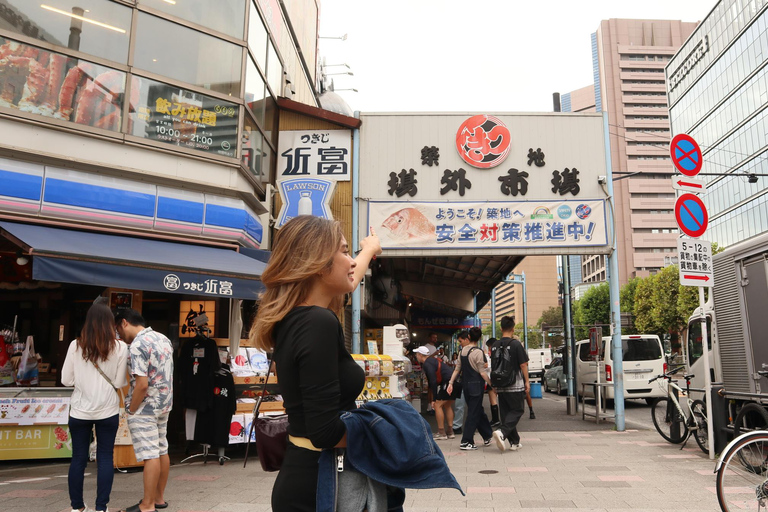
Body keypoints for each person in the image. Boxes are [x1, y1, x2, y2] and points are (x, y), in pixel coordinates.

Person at [250, 216, 380, 512]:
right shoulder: (317, 321)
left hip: (307, 476)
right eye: (345, 252)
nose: (351, 262)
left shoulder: (298, 317)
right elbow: (325, 432)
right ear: (319, 264)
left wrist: (369, 249)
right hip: (320, 486)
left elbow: (349, 276)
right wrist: (388, 433)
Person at [62, 302, 129, 512]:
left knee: (78, 458)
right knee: (105, 458)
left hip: (80, 410)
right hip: (108, 410)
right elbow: (119, 383)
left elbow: (65, 380)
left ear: (88, 322)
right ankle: (101, 508)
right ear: (110, 323)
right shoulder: (120, 347)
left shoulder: (76, 345)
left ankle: (77, 508)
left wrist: (83, 381)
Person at [116, 309, 174, 512]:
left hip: (145, 406)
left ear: (124, 322)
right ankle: (158, 498)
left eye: (118, 329)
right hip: (164, 404)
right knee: (162, 449)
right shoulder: (163, 338)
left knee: (151, 454)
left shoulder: (137, 345)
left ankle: (147, 505)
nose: (119, 336)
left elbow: (141, 384)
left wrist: (131, 410)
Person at [446, 330, 493, 450]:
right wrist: (492, 384)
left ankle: (487, 435)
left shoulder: (462, 351)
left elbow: (457, 369)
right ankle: (466, 441)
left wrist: (450, 383)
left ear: (469, 337)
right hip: (477, 385)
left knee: (477, 410)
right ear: (479, 338)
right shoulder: (478, 352)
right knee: (473, 412)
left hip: (465, 385)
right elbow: (482, 373)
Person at [491, 316, 530, 453]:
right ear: (513, 329)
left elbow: (494, 366)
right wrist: (527, 381)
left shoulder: (495, 345)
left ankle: (514, 442)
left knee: (507, 413)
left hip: (501, 385)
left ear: (501, 328)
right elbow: (523, 364)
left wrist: (494, 385)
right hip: (515, 384)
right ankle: (502, 432)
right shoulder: (516, 344)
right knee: (518, 410)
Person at [414, 346, 459, 439]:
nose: (416, 356)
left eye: (416, 354)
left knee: (438, 405)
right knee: (447, 405)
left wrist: (433, 399)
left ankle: (441, 432)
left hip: (448, 383)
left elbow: (433, 381)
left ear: (420, 355)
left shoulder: (427, 364)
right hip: (455, 382)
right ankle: (450, 431)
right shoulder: (433, 360)